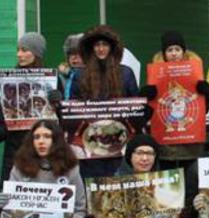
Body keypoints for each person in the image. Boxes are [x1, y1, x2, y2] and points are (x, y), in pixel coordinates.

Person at [69, 25, 140, 178]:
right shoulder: (80, 75)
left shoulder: (126, 73)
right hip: (91, 143)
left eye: (105, 45)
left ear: (112, 48)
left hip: (120, 143)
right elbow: (72, 110)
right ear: (91, 48)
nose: (101, 49)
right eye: (97, 45)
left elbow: (136, 108)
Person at [140, 31, 209, 171]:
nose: (174, 53)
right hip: (165, 147)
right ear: (164, 53)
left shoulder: (195, 73)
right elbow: (147, 113)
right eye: (169, 50)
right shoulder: (155, 75)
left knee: (191, 182)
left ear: (183, 52)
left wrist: (206, 94)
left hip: (191, 146)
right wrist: (145, 97)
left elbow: (205, 110)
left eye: (177, 49)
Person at [0, 32, 62, 184]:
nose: (19, 54)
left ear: (36, 53)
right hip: (16, 150)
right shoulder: (8, 81)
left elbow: (61, 120)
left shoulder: (51, 80)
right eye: (18, 50)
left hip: (44, 151)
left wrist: (58, 103)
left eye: (24, 50)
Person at [58, 33, 84, 100]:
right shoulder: (61, 77)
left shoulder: (94, 76)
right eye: (71, 54)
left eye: (79, 53)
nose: (74, 57)